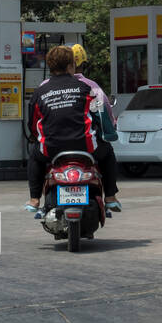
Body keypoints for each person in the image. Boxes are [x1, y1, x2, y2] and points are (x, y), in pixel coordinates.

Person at [25, 45, 121, 213]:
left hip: (51, 150)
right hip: (86, 147)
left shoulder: (40, 91)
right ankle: (111, 197)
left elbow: (33, 124)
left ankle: (34, 199)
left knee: (34, 156)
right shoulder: (87, 88)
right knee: (108, 152)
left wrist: (35, 137)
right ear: (71, 66)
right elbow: (102, 113)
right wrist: (109, 133)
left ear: (50, 66)